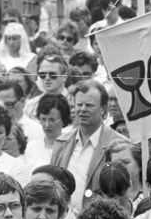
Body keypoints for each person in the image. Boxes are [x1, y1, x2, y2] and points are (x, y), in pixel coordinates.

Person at [50, 80, 131, 210]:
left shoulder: (119, 145)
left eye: (89, 105)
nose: (82, 110)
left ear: (103, 109)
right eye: (79, 104)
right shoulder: (61, 143)